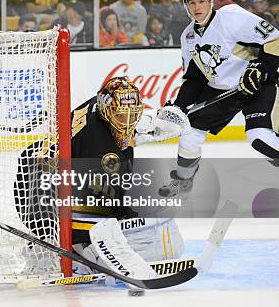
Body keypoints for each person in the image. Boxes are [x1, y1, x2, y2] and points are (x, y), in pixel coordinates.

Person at [14, 77, 188, 276]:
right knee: (99, 225)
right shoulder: (101, 150)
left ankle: (51, 244)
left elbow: (124, 128)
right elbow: (106, 203)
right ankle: (67, 258)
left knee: (114, 209)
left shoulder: (98, 104)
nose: (127, 122)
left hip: (36, 169)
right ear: (107, 110)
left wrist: (152, 122)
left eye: (133, 115)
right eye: (121, 116)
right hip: (38, 193)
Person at [160, 0, 279, 197]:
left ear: (210, 1)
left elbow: (274, 38)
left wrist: (258, 68)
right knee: (190, 133)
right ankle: (184, 181)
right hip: (222, 91)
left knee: (259, 137)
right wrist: (178, 108)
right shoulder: (188, 36)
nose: (197, 7)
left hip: (256, 84)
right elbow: (194, 78)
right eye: (191, 3)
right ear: (186, 5)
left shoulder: (230, 16)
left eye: (201, 1)